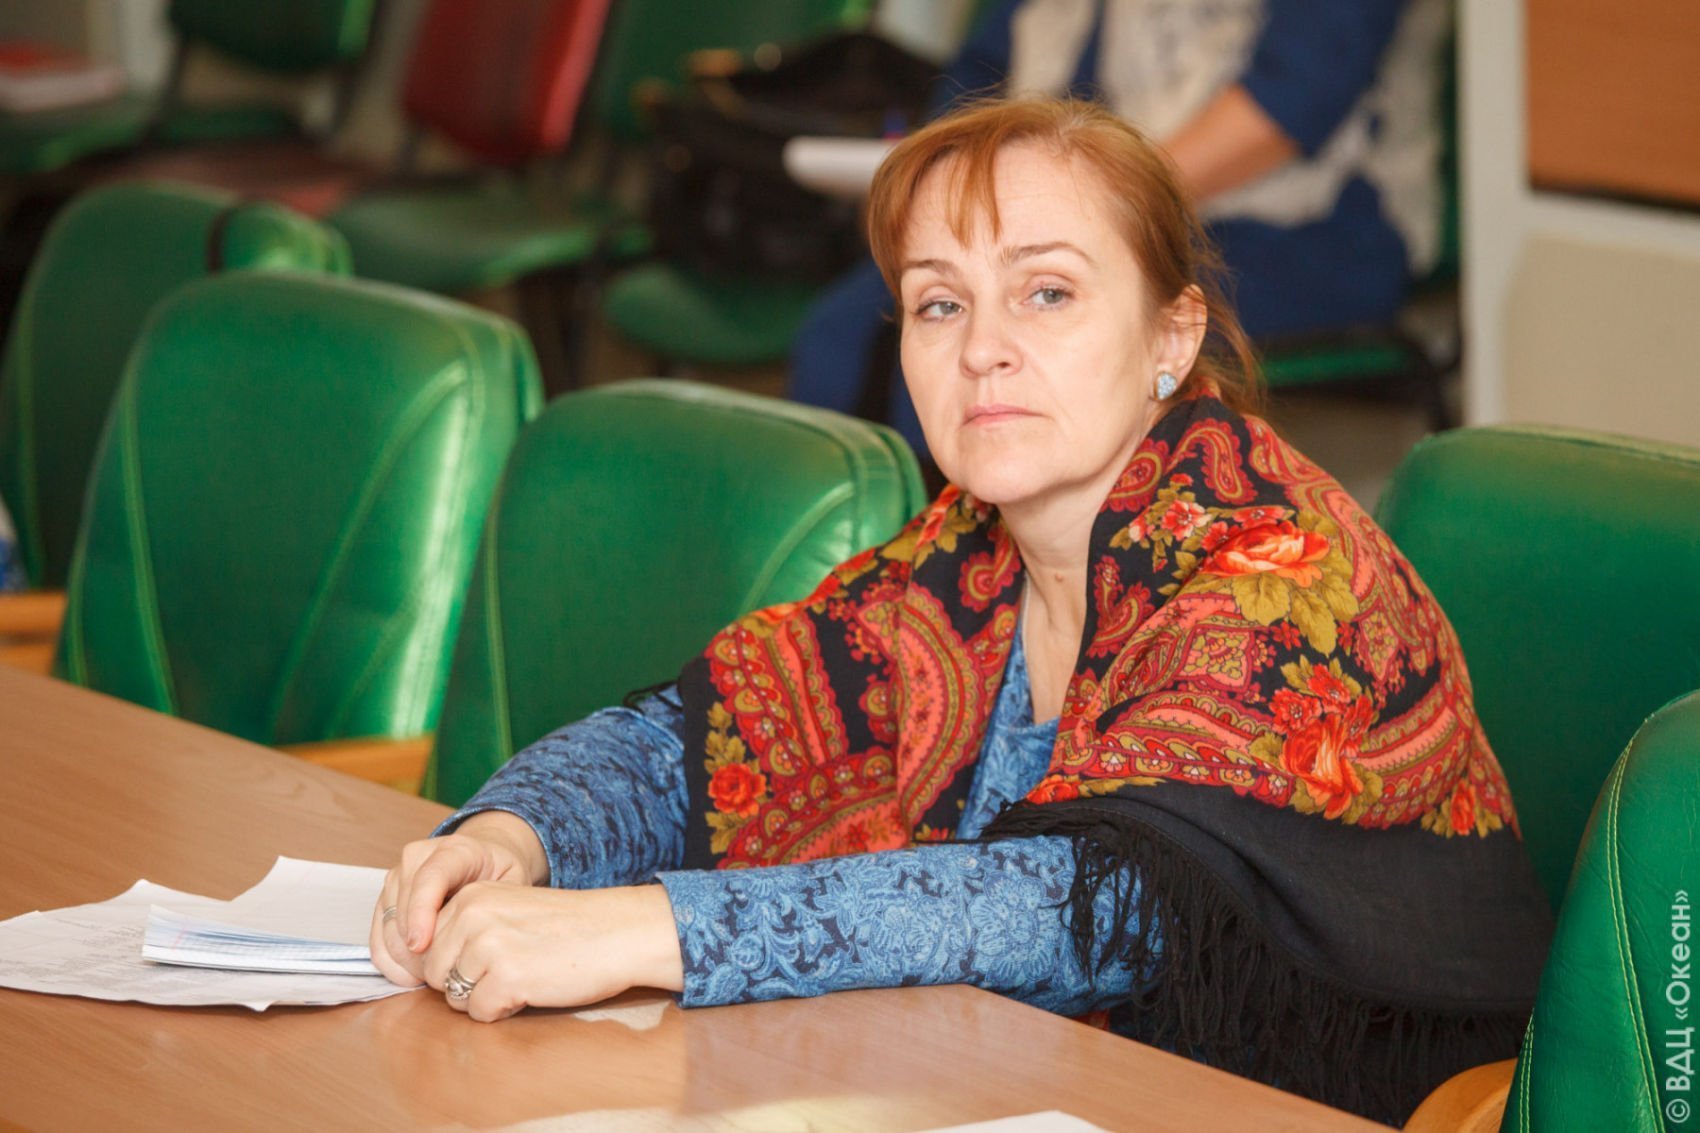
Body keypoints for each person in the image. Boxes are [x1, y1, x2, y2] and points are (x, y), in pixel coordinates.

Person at [372, 97, 1551, 1125]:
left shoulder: (1279, 571)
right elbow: (704, 733)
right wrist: (510, 833)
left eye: (1046, 292)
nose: (983, 348)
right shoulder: (960, 556)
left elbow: (1091, 907)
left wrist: (649, 931)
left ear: (1170, 334)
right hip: (1001, 1083)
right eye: (938, 304)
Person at [789, 0, 1448, 455]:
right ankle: (886, 588)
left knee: (1012, 347)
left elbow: (1291, 103)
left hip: (1302, 229)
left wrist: (1085, 204)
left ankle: (995, 582)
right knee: (843, 332)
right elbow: (974, 80)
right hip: (1052, 217)